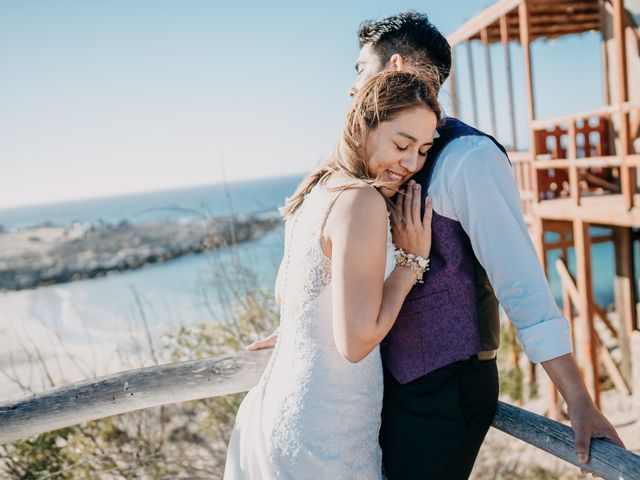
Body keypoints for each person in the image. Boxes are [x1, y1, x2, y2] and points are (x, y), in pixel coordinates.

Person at [248, 11, 625, 480]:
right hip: (380, 386)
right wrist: (307, 325)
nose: (351, 87)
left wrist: (578, 401)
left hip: (443, 389)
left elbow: (523, 285)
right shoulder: (361, 168)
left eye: (360, 69)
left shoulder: (469, 157)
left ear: (396, 69)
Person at [224, 70, 441, 479]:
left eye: (424, 150)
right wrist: (411, 263)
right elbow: (356, 342)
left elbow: (288, 295)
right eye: (401, 144)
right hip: (327, 435)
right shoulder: (361, 201)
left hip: (286, 413)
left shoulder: (319, 189)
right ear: (362, 125)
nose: (412, 163)